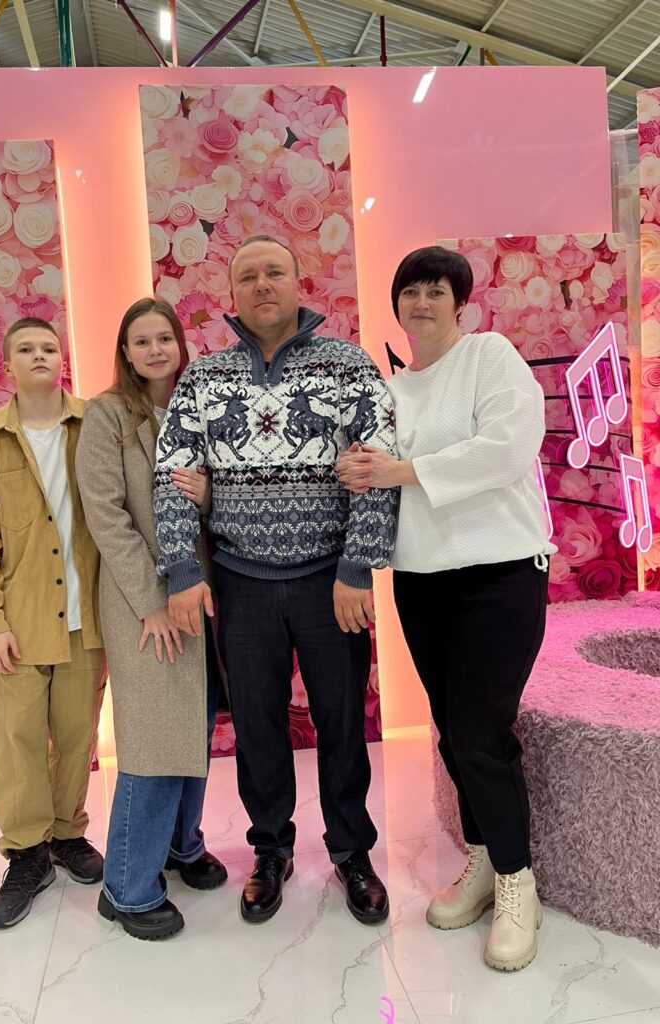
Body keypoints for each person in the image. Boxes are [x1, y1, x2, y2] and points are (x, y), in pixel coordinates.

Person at [153, 235, 399, 926]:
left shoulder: (348, 366)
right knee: (258, 727)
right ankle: (271, 851)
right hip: (241, 582)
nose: (262, 284)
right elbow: (171, 478)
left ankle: (352, 852)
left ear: (297, 282)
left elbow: (378, 467)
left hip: (330, 583)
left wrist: (357, 568)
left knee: (342, 722)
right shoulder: (203, 381)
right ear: (232, 293)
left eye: (274, 272)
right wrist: (181, 571)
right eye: (248, 276)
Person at [336, 245, 556, 971]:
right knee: (453, 733)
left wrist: (401, 470)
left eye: (436, 291)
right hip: (422, 580)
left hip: (502, 573)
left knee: (483, 730)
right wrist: (355, 468)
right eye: (411, 292)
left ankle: (519, 883)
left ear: (460, 304)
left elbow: (509, 447)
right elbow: (366, 471)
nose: (422, 302)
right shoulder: (390, 391)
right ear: (396, 306)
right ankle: (485, 859)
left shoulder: (488, 357)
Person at [75, 298, 227, 942]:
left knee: (194, 722)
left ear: (179, 344)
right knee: (153, 737)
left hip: (204, 593)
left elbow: (229, 494)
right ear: (126, 352)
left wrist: (210, 494)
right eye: (142, 341)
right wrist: (152, 602)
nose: (156, 349)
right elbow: (106, 516)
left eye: (164, 337)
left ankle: (180, 844)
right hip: (143, 600)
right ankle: (128, 887)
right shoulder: (107, 415)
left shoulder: (202, 406)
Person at [0, 317, 107, 929]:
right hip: (17, 622)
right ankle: (26, 852)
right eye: (25, 349)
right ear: (8, 364)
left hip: (85, 619)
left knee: (77, 733)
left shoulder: (94, 425)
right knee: (15, 739)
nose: (39, 355)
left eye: (48, 347)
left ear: (61, 359)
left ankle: (67, 834)